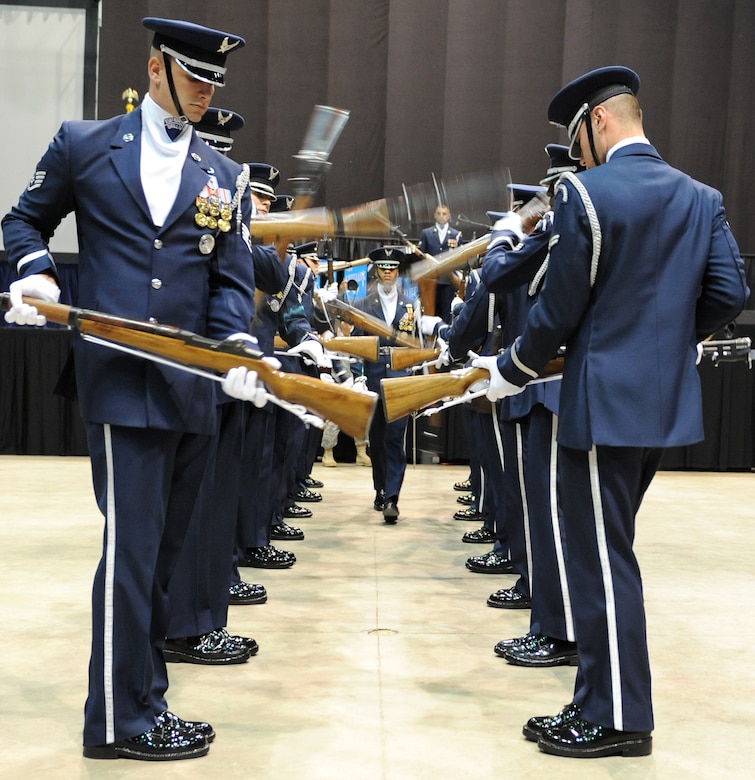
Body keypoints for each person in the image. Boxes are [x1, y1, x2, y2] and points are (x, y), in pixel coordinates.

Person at [472, 66, 749, 758]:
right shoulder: (700, 195)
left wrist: (510, 370)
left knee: (598, 561)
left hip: (599, 404)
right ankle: (597, 699)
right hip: (660, 405)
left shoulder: (587, 195)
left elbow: (557, 306)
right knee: (609, 550)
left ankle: (617, 715)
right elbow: (727, 290)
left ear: (597, 122)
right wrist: (666, 340)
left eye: (577, 140)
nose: (577, 157)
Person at [2, 18, 254, 760]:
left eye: (215, 82)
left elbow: (230, 283)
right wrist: (34, 273)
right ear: (155, 70)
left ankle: (143, 701)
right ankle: (117, 720)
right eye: (195, 78)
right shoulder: (84, 144)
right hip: (117, 380)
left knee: (163, 560)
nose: (206, 93)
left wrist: (235, 347)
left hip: (191, 386)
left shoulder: (223, 174)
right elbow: (22, 220)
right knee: (133, 554)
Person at [353, 246, 417, 523]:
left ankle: (392, 497)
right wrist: (357, 375)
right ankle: (381, 487)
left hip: (400, 379)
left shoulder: (410, 304)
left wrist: (415, 379)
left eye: (392, 267)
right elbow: (356, 344)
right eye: (383, 267)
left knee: (394, 440)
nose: (388, 272)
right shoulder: (363, 304)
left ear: (398, 271)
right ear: (376, 270)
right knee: (377, 441)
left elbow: (416, 345)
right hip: (373, 377)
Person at [418, 204, 463, 323]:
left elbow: (461, 258)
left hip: (449, 280)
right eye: (439, 213)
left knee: (447, 312)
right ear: (434, 216)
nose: (441, 216)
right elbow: (421, 255)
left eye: (444, 214)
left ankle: (444, 337)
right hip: (431, 280)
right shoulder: (426, 233)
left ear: (449, 216)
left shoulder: (456, 234)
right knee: (431, 313)